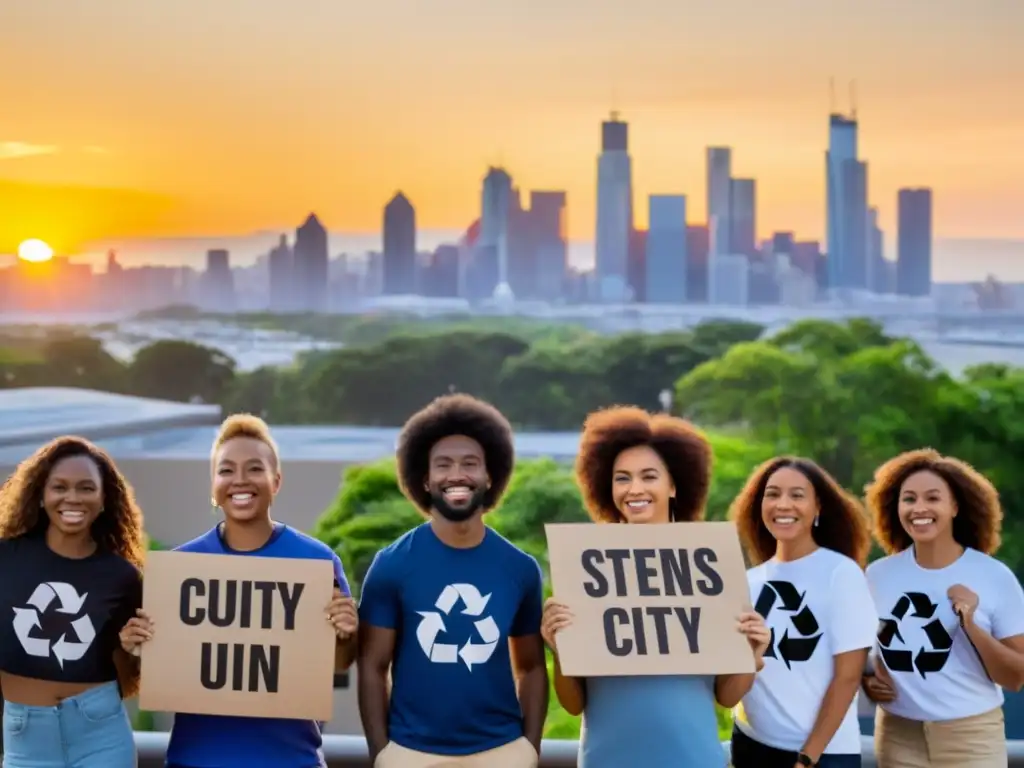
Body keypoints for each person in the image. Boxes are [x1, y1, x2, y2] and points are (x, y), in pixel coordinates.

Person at [120, 414, 357, 768]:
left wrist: (346, 631)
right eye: (227, 470)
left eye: (254, 468)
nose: (240, 480)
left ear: (276, 481)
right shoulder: (180, 567)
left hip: (290, 762)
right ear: (213, 485)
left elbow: (338, 664)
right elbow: (142, 675)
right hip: (195, 760)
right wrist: (132, 645)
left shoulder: (317, 561)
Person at [541, 406, 771, 768]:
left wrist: (753, 654)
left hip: (694, 759)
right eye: (622, 478)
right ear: (605, 486)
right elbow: (572, 704)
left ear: (674, 484)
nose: (635, 489)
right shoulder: (585, 568)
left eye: (649, 476)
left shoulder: (710, 565)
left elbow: (727, 697)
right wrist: (559, 649)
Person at [357, 394, 548, 768]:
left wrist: (530, 749)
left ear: (490, 476)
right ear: (424, 479)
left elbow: (532, 667)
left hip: (502, 752)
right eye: (443, 465)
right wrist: (382, 753)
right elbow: (371, 666)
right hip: (410, 753)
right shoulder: (391, 565)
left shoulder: (520, 568)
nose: (457, 474)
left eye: (470, 464)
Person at [861, 449, 1024, 767]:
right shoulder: (877, 575)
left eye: (932, 498)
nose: (919, 508)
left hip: (971, 736)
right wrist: (869, 680)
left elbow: (1016, 677)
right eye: (908, 499)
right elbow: (863, 651)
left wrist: (971, 624)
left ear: (955, 506)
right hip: (897, 734)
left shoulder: (993, 576)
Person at [0, 437, 145, 768]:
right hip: (25, 739)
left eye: (86, 488)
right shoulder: (5, 558)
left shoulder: (122, 576)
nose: (72, 498)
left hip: (101, 734)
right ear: (40, 495)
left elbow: (128, 671)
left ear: (104, 498)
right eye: (60, 487)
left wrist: (134, 648)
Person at [728, 456, 877, 768]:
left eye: (797, 495)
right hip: (751, 746)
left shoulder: (841, 573)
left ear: (818, 507)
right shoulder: (747, 582)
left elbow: (847, 678)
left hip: (822, 754)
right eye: (772, 494)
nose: (783, 504)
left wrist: (808, 757)